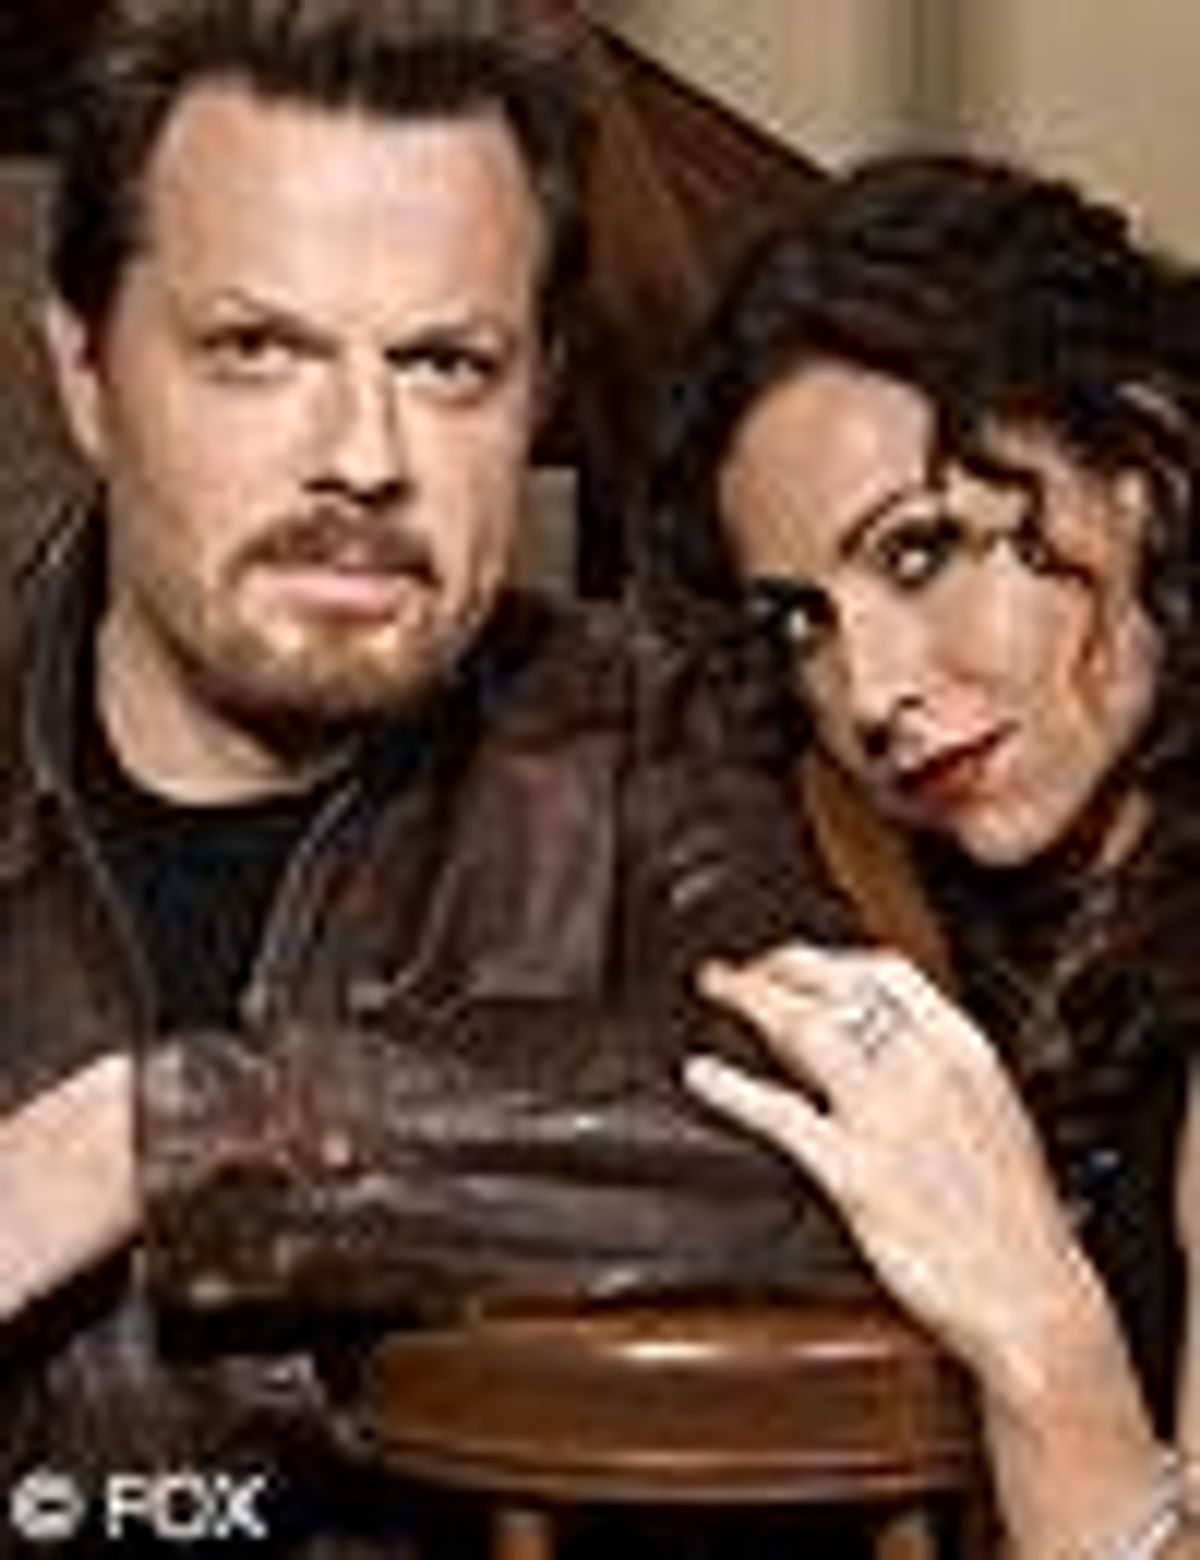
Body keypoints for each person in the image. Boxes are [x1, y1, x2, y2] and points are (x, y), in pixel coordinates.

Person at [1, 0, 883, 1552]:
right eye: (258, 350)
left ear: (539, 390)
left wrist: (171, 1138)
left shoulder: (647, 744)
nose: (364, 456)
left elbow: (850, 1150)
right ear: (84, 372)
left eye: (446, 364)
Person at [645, 152, 1200, 1556]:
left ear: (1140, 467)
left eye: (918, 551)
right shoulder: (941, 915)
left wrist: (1039, 1332)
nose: (871, 689)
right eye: (802, 621)